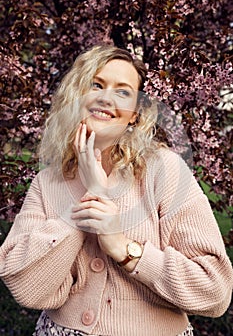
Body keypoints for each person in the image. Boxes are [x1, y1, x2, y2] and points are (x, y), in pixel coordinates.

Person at [0, 45, 232, 336]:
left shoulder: (164, 170)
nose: (105, 97)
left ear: (134, 115)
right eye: (96, 84)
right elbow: (26, 287)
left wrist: (124, 248)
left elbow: (215, 290)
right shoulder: (48, 182)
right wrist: (91, 197)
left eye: (123, 91)